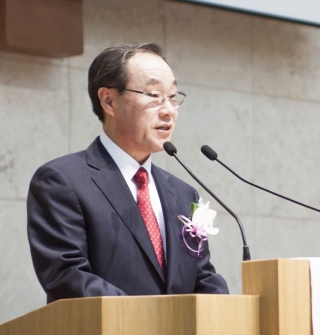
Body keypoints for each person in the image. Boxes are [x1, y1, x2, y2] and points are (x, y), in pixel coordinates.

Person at [27, 43, 229, 302]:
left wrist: (223, 308)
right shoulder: (62, 181)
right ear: (109, 101)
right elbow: (67, 276)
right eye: (154, 94)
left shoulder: (182, 193)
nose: (168, 110)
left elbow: (202, 277)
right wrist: (151, 319)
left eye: (173, 96)